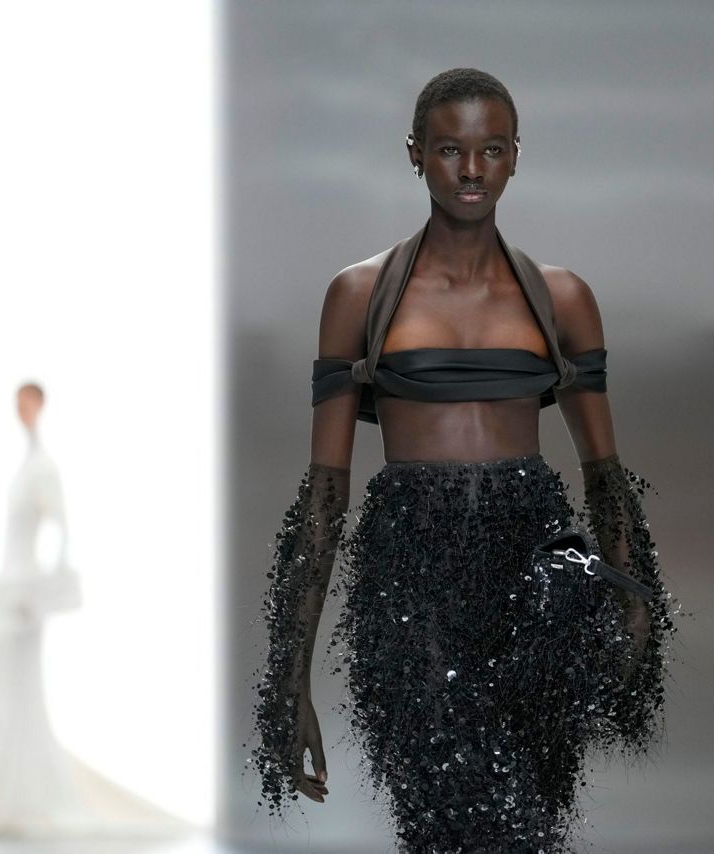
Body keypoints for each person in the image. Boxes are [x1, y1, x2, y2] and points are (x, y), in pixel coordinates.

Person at [248, 69, 679, 853]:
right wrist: (289, 675)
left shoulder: (563, 299)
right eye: (450, 150)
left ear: (515, 156)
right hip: (409, 594)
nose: (472, 170)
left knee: (524, 827)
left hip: (537, 596)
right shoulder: (358, 295)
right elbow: (324, 497)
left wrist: (635, 608)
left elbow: (603, 473)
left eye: (492, 149)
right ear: (415, 154)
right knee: (445, 822)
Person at [0, 381, 191, 839]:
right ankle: (25, 790)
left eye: (27, 403)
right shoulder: (27, 465)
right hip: (10, 590)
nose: (21, 411)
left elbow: (62, 530)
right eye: (17, 404)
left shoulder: (42, 468)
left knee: (20, 698)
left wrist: (43, 589)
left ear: (39, 405)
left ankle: (28, 798)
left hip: (25, 599)